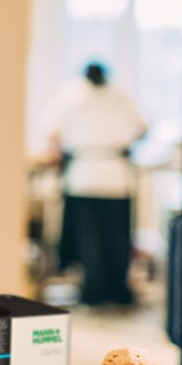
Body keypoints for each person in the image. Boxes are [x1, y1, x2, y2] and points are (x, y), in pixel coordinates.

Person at [48, 61, 147, 306]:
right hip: (105, 173)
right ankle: (108, 289)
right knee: (110, 239)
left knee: (94, 239)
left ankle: (97, 291)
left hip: (93, 174)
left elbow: (53, 132)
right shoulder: (112, 94)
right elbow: (142, 128)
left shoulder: (74, 94)